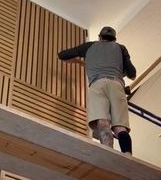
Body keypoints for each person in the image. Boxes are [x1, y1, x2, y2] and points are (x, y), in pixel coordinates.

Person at [58, 26, 136, 155]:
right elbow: (132, 74)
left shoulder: (89, 46)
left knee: (102, 122)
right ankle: (128, 156)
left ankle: (108, 154)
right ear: (114, 40)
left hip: (97, 85)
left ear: (99, 37)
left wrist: (80, 62)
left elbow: (62, 55)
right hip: (117, 85)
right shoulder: (121, 48)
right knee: (120, 127)